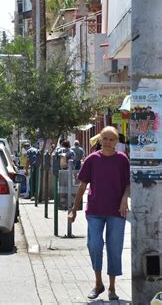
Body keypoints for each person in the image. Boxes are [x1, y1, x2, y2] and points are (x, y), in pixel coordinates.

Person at [69, 126, 130, 301]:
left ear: (116, 142)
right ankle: (98, 284)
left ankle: (112, 287)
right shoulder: (92, 160)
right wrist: (73, 210)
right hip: (95, 210)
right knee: (94, 245)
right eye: (105, 139)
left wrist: (125, 198)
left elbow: (127, 184)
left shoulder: (122, 160)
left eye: (112, 139)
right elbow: (82, 186)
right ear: (100, 140)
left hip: (117, 211)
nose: (108, 142)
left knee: (114, 247)